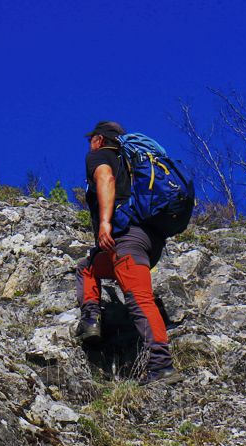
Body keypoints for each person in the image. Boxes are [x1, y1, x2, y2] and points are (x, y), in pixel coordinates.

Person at [75, 120, 178, 384]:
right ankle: (91, 321)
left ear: (98, 139)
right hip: (150, 241)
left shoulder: (99, 156)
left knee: (139, 299)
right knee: (87, 267)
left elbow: (105, 178)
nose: (90, 144)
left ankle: (161, 365)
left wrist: (106, 222)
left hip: (126, 239)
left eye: (91, 140)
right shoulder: (134, 164)